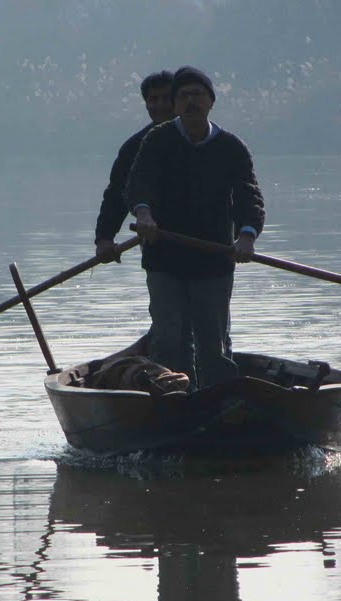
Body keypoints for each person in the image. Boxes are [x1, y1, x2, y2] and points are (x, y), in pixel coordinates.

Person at [126, 65, 265, 389]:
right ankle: (172, 400)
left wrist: (246, 235)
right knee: (168, 337)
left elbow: (249, 195)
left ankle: (220, 402)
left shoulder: (230, 147)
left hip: (214, 258)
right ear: (174, 105)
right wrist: (143, 214)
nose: (191, 102)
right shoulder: (157, 140)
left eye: (198, 95)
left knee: (213, 344)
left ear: (211, 102)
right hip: (165, 257)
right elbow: (139, 183)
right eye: (184, 96)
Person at [94, 70, 174, 263]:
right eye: (153, 99)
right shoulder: (134, 147)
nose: (160, 105)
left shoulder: (204, 140)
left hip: (208, 247)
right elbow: (117, 193)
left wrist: (245, 236)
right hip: (157, 247)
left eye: (166, 98)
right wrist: (104, 238)